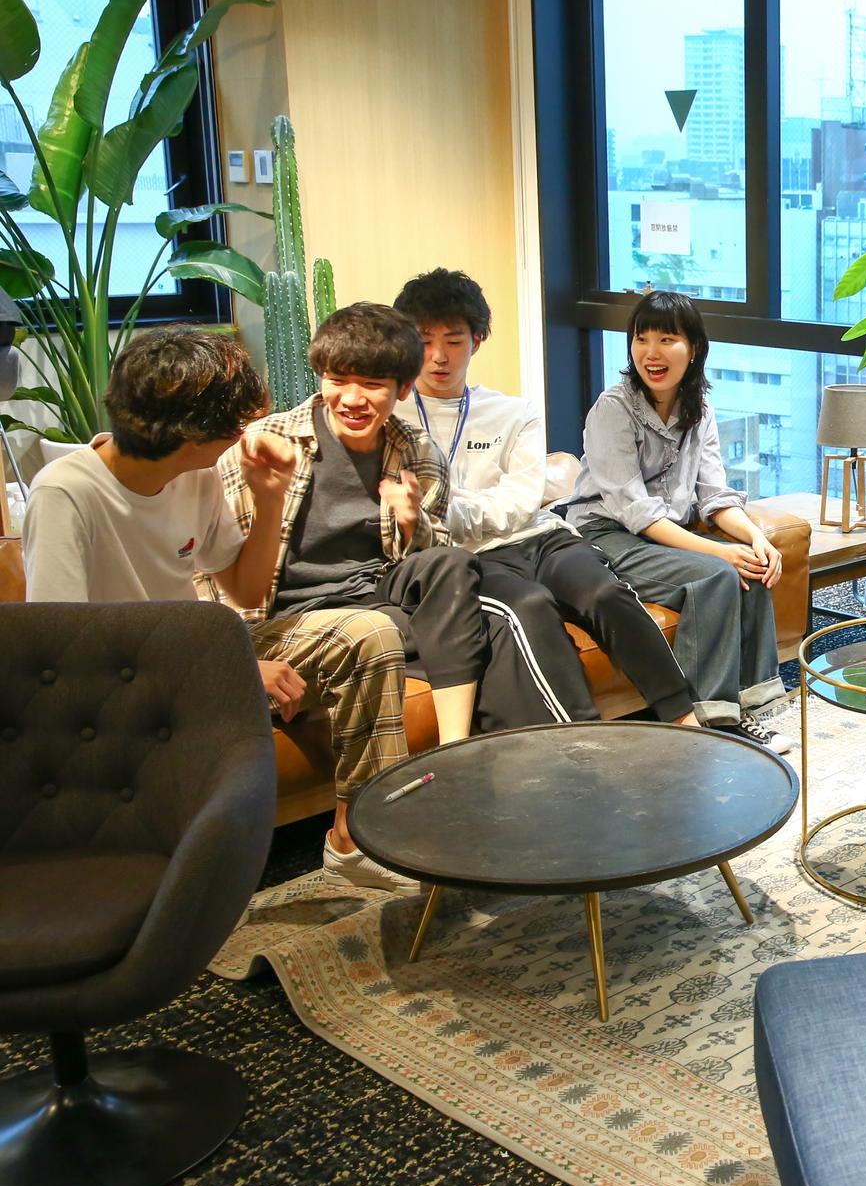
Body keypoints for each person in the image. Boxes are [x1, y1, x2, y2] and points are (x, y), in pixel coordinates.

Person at [22, 324, 420, 894]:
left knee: (368, 633)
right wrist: (229, 669)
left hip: (192, 653)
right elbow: (59, 652)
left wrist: (270, 497)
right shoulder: (67, 493)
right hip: (115, 682)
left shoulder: (196, 476)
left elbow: (247, 592)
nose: (242, 438)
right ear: (190, 433)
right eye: (234, 428)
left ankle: (355, 842)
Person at [201, 302, 497, 891]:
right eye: (338, 380)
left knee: (470, 591)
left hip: (373, 599)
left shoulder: (415, 452)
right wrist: (235, 656)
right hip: (284, 620)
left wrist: (413, 520)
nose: (352, 399)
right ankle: (359, 836)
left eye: (372, 384)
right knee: (386, 635)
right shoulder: (266, 444)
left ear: (403, 388)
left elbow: (423, 557)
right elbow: (208, 567)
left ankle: (471, 779)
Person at [394, 267, 701, 733]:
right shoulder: (391, 416)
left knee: (605, 593)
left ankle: (686, 720)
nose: (438, 356)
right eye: (424, 340)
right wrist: (463, 513)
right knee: (530, 604)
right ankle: (582, 742)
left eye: (453, 341)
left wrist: (441, 510)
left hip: (542, 537)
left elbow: (520, 502)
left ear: (477, 341)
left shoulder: (513, 412)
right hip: (471, 558)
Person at [565, 291, 789, 752]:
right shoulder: (613, 409)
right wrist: (720, 552)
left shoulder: (699, 410)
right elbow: (636, 512)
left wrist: (755, 539)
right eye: (641, 339)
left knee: (752, 569)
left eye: (666, 340)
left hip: (663, 535)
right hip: (604, 534)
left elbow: (714, 496)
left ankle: (751, 709)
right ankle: (709, 723)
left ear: (694, 348)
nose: (651, 353)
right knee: (718, 575)